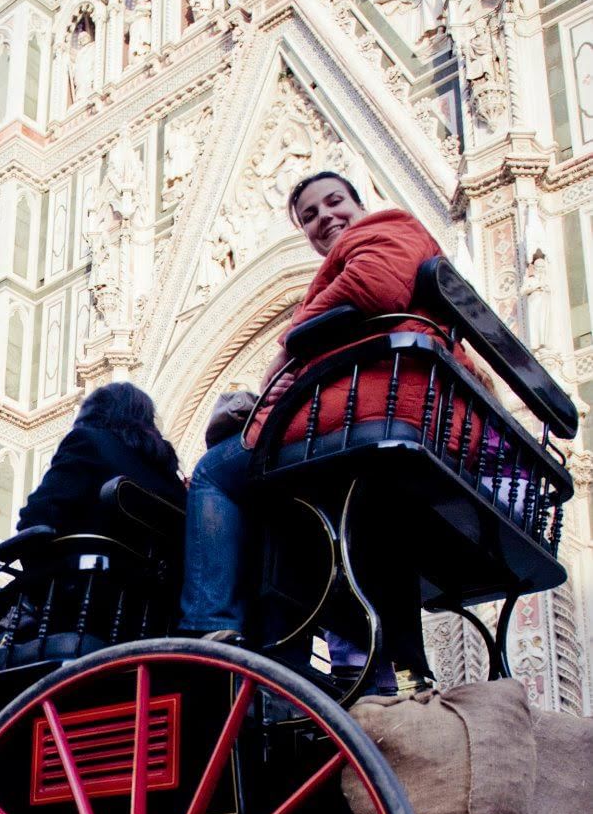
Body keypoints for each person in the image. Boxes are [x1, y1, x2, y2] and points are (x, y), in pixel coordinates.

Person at [179, 171, 443, 672]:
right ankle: (290, 656)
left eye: (334, 202)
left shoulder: (387, 228)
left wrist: (289, 345)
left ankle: (209, 626)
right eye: (310, 216)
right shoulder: (382, 244)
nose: (325, 218)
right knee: (279, 511)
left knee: (215, 471)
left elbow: (376, 287)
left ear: (362, 203)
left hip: (374, 413)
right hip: (380, 409)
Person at [17, 382, 185, 536]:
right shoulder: (171, 478)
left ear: (92, 413)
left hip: (92, 565)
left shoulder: (87, 442)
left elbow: (35, 516)